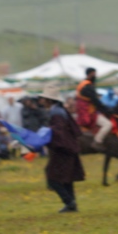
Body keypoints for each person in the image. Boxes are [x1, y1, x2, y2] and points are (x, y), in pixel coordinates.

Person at [40, 83, 85, 213]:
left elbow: (59, 131)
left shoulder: (56, 112)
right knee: (67, 177)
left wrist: (47, 133)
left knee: (52, 177)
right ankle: (72, 205)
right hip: (68, 147)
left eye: (43, 98)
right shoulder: (59, 110)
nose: (42, 101)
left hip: (63, 149)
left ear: (49, 100)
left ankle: (69, 202)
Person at [75, 67, 113, 150]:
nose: (95, 76)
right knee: (108, 124)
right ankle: (97, 141)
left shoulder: (82, 84)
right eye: (94, 74)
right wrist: (107, 110)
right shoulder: (88, 86)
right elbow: (95, 101)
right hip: (89, 113)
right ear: (89, 74)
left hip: (82, 112)